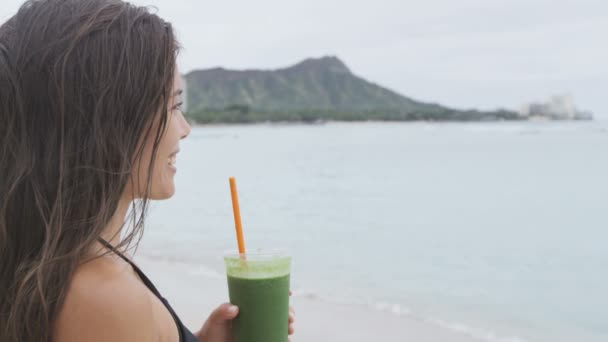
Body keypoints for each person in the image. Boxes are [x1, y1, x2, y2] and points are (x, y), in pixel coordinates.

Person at [0, 0, 295, 341]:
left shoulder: (76, 259)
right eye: (173, 106)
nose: (184, 128)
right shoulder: (104, 298)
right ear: (108, 124)